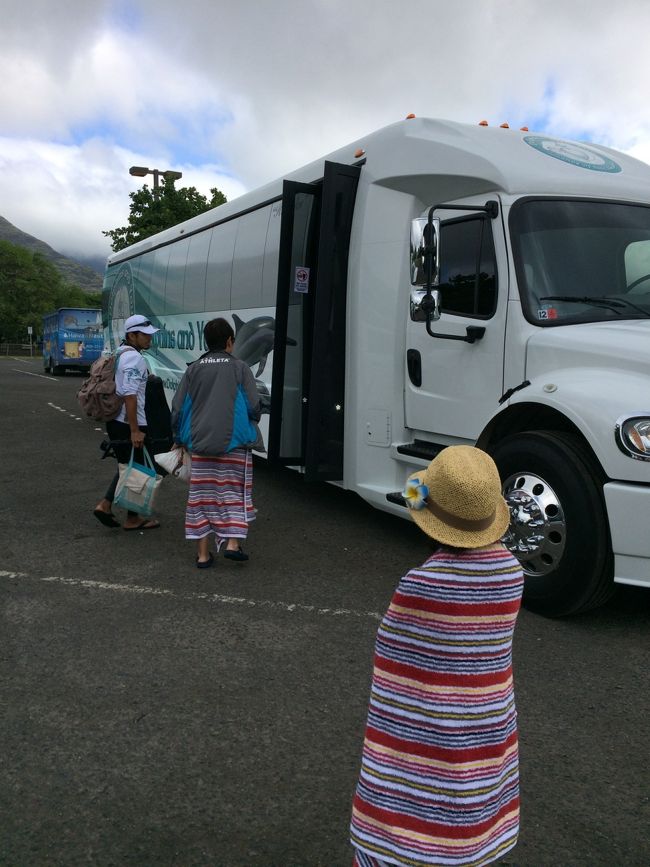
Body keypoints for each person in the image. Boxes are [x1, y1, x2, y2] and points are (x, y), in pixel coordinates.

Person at [350, 446, 523, 867]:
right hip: (484, 725)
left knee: (405, 818)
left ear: (430, 525)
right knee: (471, 807)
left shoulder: (420, 585)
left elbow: (394, 667)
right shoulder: (511, 575)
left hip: (425, 735)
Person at [171, 317, 262, 568]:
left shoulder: (193, 369)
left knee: (201, 498)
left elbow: (178, 409)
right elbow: (254, 405)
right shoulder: (240, 368)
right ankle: (232, 543)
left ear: (207, 342)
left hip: (199, 446)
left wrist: (179, 439)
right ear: (230, 341)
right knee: (233, 494)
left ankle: (202, 555)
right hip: (235, 446)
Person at [93, 314, 163, 531]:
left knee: (128, 467)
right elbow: (130, 395)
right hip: (129, 422)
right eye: (145, 335)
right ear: (132, 335)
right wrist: (135, 430)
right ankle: (132, 518)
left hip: (116, 420)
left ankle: (106, 505)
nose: (149, 339)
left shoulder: (119, 353)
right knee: (137, 469)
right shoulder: (134, 358)